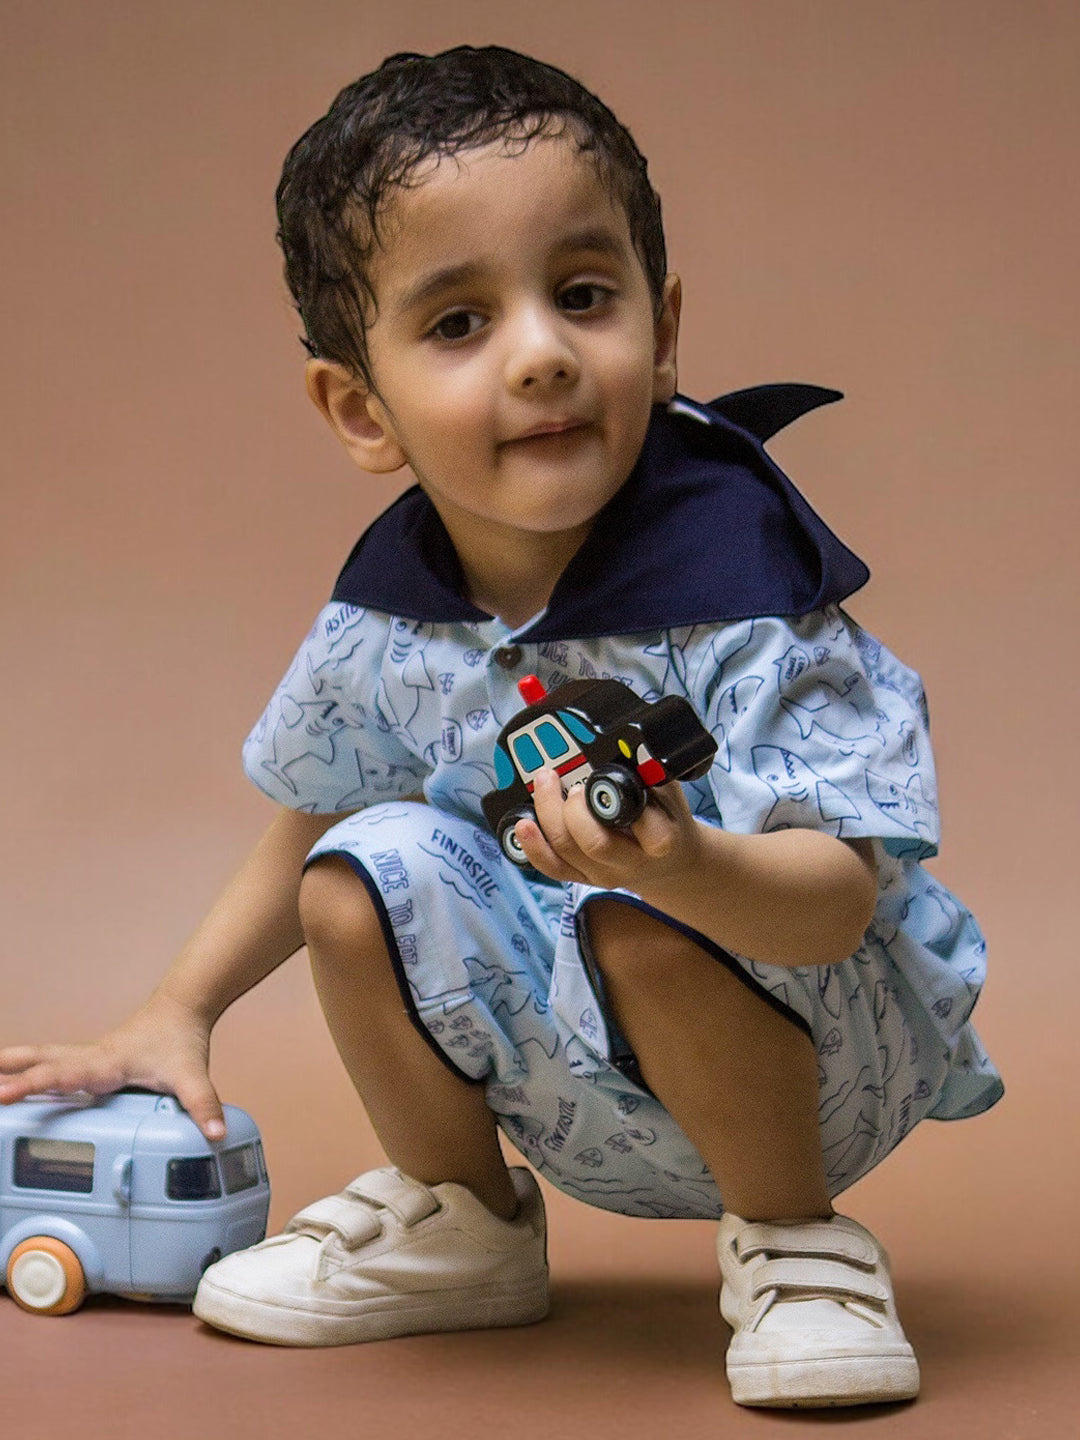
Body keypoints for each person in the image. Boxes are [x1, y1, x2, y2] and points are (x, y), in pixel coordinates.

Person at [0, 45, 1001, 1408]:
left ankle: (798, 1242)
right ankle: (460, 1213)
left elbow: (834, 906)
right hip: (572, 1068)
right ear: (361, 407)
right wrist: (174, 1014)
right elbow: (313, 808)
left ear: (664, 323)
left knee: (643, 911)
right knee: (354, 872)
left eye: (584, 296)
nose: (542, 355)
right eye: (460, 323)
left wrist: (679, 864)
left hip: (811, 1053)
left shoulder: (750, 592)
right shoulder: (389, 616)